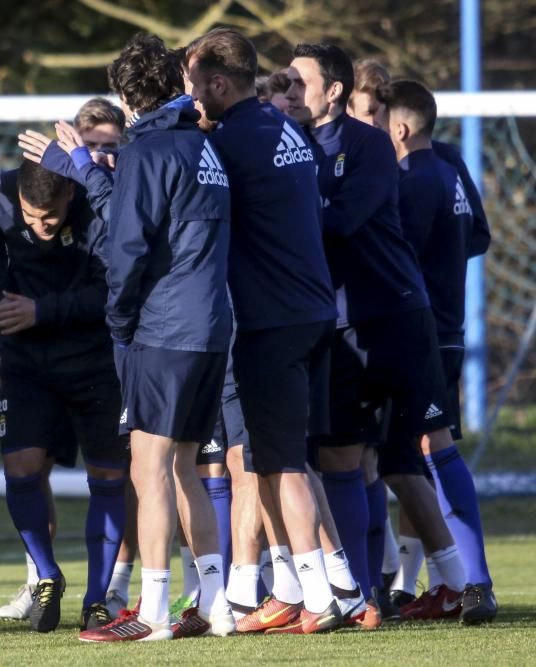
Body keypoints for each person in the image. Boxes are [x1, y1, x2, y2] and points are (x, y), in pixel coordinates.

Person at [284, 42, 480, 626]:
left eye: (300, 83)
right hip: (341, 326)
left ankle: (461, 582)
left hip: (396, 320)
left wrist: (281, 207)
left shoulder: (368, 146)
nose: (291, 92)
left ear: (333, 91)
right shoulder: (291, 146)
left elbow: (342, 222)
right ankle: (366, 594)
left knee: (411, 456)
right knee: (350, 458)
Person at [182, 28, 344, 635]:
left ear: (220, 83)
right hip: (311, 309)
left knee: (282, 463)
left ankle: (321, 596)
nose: (193, 98)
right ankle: (302, 588)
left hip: (272, 319)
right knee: (275, 459)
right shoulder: (285, 128)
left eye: (197, 86)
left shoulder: (229, 143)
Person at [78, 33, 235, 642]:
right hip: (212, 325)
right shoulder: (205, 146)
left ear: (124, 94)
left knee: (150, 466)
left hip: (165, 326)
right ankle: (216, 604)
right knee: (188, 468)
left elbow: (128, 248)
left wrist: (119, 319)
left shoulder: (148, 150)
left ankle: (152, 613)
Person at [0, 159, 129, 634]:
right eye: (30, 216)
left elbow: (113, 291)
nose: (40, 227)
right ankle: (46, 574)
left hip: (93, 363)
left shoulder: (97, 214)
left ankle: (98, 599)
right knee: (20, 469)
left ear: (70, 198)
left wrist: (43, 309)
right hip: (25, 366)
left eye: (51, 217)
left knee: (107, 477)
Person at [374, 79, 497, 624]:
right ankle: (438, 583)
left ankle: (474, 583)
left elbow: (393, 254)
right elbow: (479, 238)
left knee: (431, 452)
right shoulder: (450, 170)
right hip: (449, 327)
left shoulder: (411, 180)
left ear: (398, 127)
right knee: (413, 456)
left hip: (420, 332)